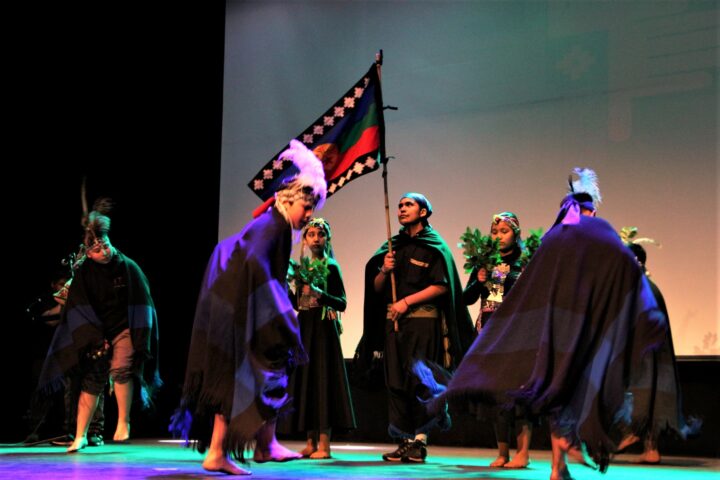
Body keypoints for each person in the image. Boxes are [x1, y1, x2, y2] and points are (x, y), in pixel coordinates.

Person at [439, 168, 690, 480]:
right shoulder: (591, 233)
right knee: (572, 391)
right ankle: (565, 455)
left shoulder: (556, 238)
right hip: (575, 328)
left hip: (559, 331)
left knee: (561, 394)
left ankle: (559, 466)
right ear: (588, 210)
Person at [170, 140, 327, 476]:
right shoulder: (271, 226)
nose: (309, 216)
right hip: (236, 306)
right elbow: (254, 264)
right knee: (239, 373)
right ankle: (217, 453)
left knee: (271, 365)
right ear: (288, 201)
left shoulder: (278, 225)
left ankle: (266, 444)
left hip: (237, 301)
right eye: (306, 207)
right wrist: (282, 308)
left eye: (312, 209)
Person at [357, 192, 475, 464]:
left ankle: (420, 442)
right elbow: (376, 289)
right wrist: (384, 271)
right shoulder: (392, 246)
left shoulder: (434, 246)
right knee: (396, 381)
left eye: (408, 204)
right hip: (395, 325)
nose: (401, 209)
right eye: (400, 205)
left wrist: (406, 302)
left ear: (423, 212)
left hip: (423, 324)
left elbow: (441, 286)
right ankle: (404, 441)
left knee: (422, 379)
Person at [36, 199, 161, 453]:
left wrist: (137, 336)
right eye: (97, 249)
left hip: (125, 327)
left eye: (106, 245)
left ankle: (123, 421)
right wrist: (94, 338)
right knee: (92, 380)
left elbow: (143, 305)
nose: (104, 252)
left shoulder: (128, 267)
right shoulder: (84, 274)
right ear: (88, 252)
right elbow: (78, 308)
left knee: (121, 367)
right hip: (97, 330)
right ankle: (80, 435)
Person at [278, 218, 356, 459]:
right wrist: (286, 287)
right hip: (305, 327)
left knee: (323, 380)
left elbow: (342, 302)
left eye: (320, 234)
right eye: (311, 234)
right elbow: (297, 304)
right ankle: (310, 442)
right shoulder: (302, 269)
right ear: (304, 239)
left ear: (327, 239)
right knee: (307, 381)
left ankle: (324, 444)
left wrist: (321, 294)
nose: (315, 239)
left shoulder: (331, 266)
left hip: (323, 330)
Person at [462, 212, 533, 468]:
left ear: (516, 233)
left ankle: (522, 453)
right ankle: (502, 453)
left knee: (518, 394)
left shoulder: (526, 262)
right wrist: (479, 281)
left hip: (517, 336)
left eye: (504, 231)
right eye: (495, 232)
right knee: (495, 395)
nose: (499, 236)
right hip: (489, 335)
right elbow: (467, 298)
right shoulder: (484, 261)